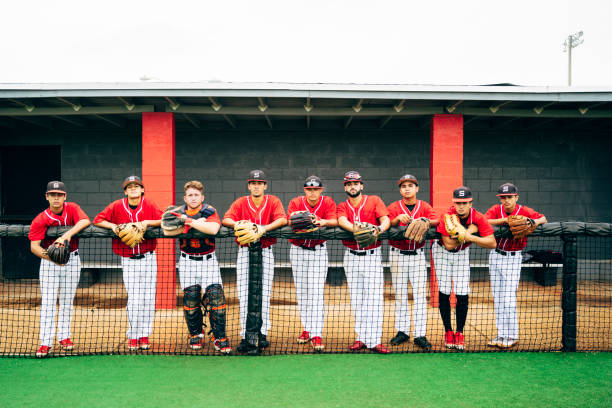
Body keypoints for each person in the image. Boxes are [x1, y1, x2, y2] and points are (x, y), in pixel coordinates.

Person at [93, 176, 162, 351]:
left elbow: (163, 220)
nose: (133, 189)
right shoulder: (116, 206)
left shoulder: (149, 205)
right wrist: (114, 227)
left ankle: (144, 334)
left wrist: (147, 223)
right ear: (125, 191)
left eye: (136, 186)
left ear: (142, 190)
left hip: (149, 257)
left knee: (148, 298)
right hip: (129, 260)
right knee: (135, 299)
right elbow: (98, 220)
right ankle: (134, 334)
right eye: (129, 187)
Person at [222, 170, 287, 352]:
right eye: (253, 183)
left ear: (265, 185)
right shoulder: (241, 202)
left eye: (260, 183)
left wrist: (263, 228)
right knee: (244, 294)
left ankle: (262, 333)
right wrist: (239, 224)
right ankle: (245, 334)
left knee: (264, 293)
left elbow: (282, 219)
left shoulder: (273, 201)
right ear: (249, 185)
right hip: (244, 252)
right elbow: (226, 219)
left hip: (266, 251)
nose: (257, 185)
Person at [163, 180, 231, 354]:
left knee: (216, 298)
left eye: (196, 195)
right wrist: (190, 223)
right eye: (190, 195)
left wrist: (189, 222)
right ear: (185, 198)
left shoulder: (209, 210)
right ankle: (196, 334)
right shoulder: (177, 212)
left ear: (202, 197)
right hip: (187, 261)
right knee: (191, 298)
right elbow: (167, 230)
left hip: (208, 260)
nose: (193, 198)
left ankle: (219, 337)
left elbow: (214, 228)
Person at [29, 181, 91, 358]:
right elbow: (34, 246)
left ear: (65, 196)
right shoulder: (40, 219)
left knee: (67, 301)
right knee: (48, 302)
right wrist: (53, 257)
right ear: (47, 197)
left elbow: (85, 221)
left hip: (73, 259)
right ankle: (45, 342)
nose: (56, 198)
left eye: (59, 195)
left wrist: (66, 235)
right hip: (50, 263)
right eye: (53, 195)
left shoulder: (72, 208)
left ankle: (64, 336)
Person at [485, 183, 547, 349]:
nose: (506, 200)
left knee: (508, 299)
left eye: (509, 197)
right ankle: (501, 334)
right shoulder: (496, 209)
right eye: (503, 197)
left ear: (516, 197)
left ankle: (512, 335)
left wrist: (531, 221)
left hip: (513, 258)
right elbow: (485, 220)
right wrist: (504, 220)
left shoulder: (524, 210)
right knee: (498, 298)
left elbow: (543, 218)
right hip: (496, 255)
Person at [434, 186, 496, 351]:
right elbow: (447, 244)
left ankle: (459, 332)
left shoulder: (478, 217)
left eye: (465, 202)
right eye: (458, 202)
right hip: (442, 253)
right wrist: (471, 232)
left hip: (462, 253)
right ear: (453, 202)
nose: (461, 206)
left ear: (471, 203)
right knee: (444, 291)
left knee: (462, 293)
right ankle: (448, 331)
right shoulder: (447, 215)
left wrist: (467, 236)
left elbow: (492, 242)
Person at [337, 170, 391, 354]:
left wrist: (379, 229)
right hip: (351, 256)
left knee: (374, 299)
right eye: (349, 184)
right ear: (345, 187)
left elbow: (385, 219)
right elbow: (341, 220)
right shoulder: (342, 205)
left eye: (356, 183)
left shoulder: (374, 200)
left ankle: (375, 340)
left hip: (372, 255)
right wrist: (356, 228)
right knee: (357, 298)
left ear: (361, 185)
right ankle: (361, 337)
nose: (353, 186)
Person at [387, 174, 439, 351]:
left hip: (417, 255)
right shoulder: (394, 207)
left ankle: (420, 334)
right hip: (397, 254)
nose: (407, 188)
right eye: (403, 186)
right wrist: (396, 220)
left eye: (411, 185)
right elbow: (387, 224)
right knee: (400, 295)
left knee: (419, 296)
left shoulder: (424, 206)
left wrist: (425, 220)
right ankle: (402, 331)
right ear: (400, 190)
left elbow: (436, 221)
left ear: (417, 188)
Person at [287, 175, 338, 351]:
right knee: (302, 292)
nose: (312, 192)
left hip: (318, 251)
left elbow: (334, 220)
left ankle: (317, 333)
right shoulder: (295, 202)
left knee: (316, 292)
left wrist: (323, 221)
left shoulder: (328, 201)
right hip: (298, 251)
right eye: (309, 189)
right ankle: (307, 328)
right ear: (305, 190)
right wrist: (302, 220)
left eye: (315, 189)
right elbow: (289, 221)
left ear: (320, 190)